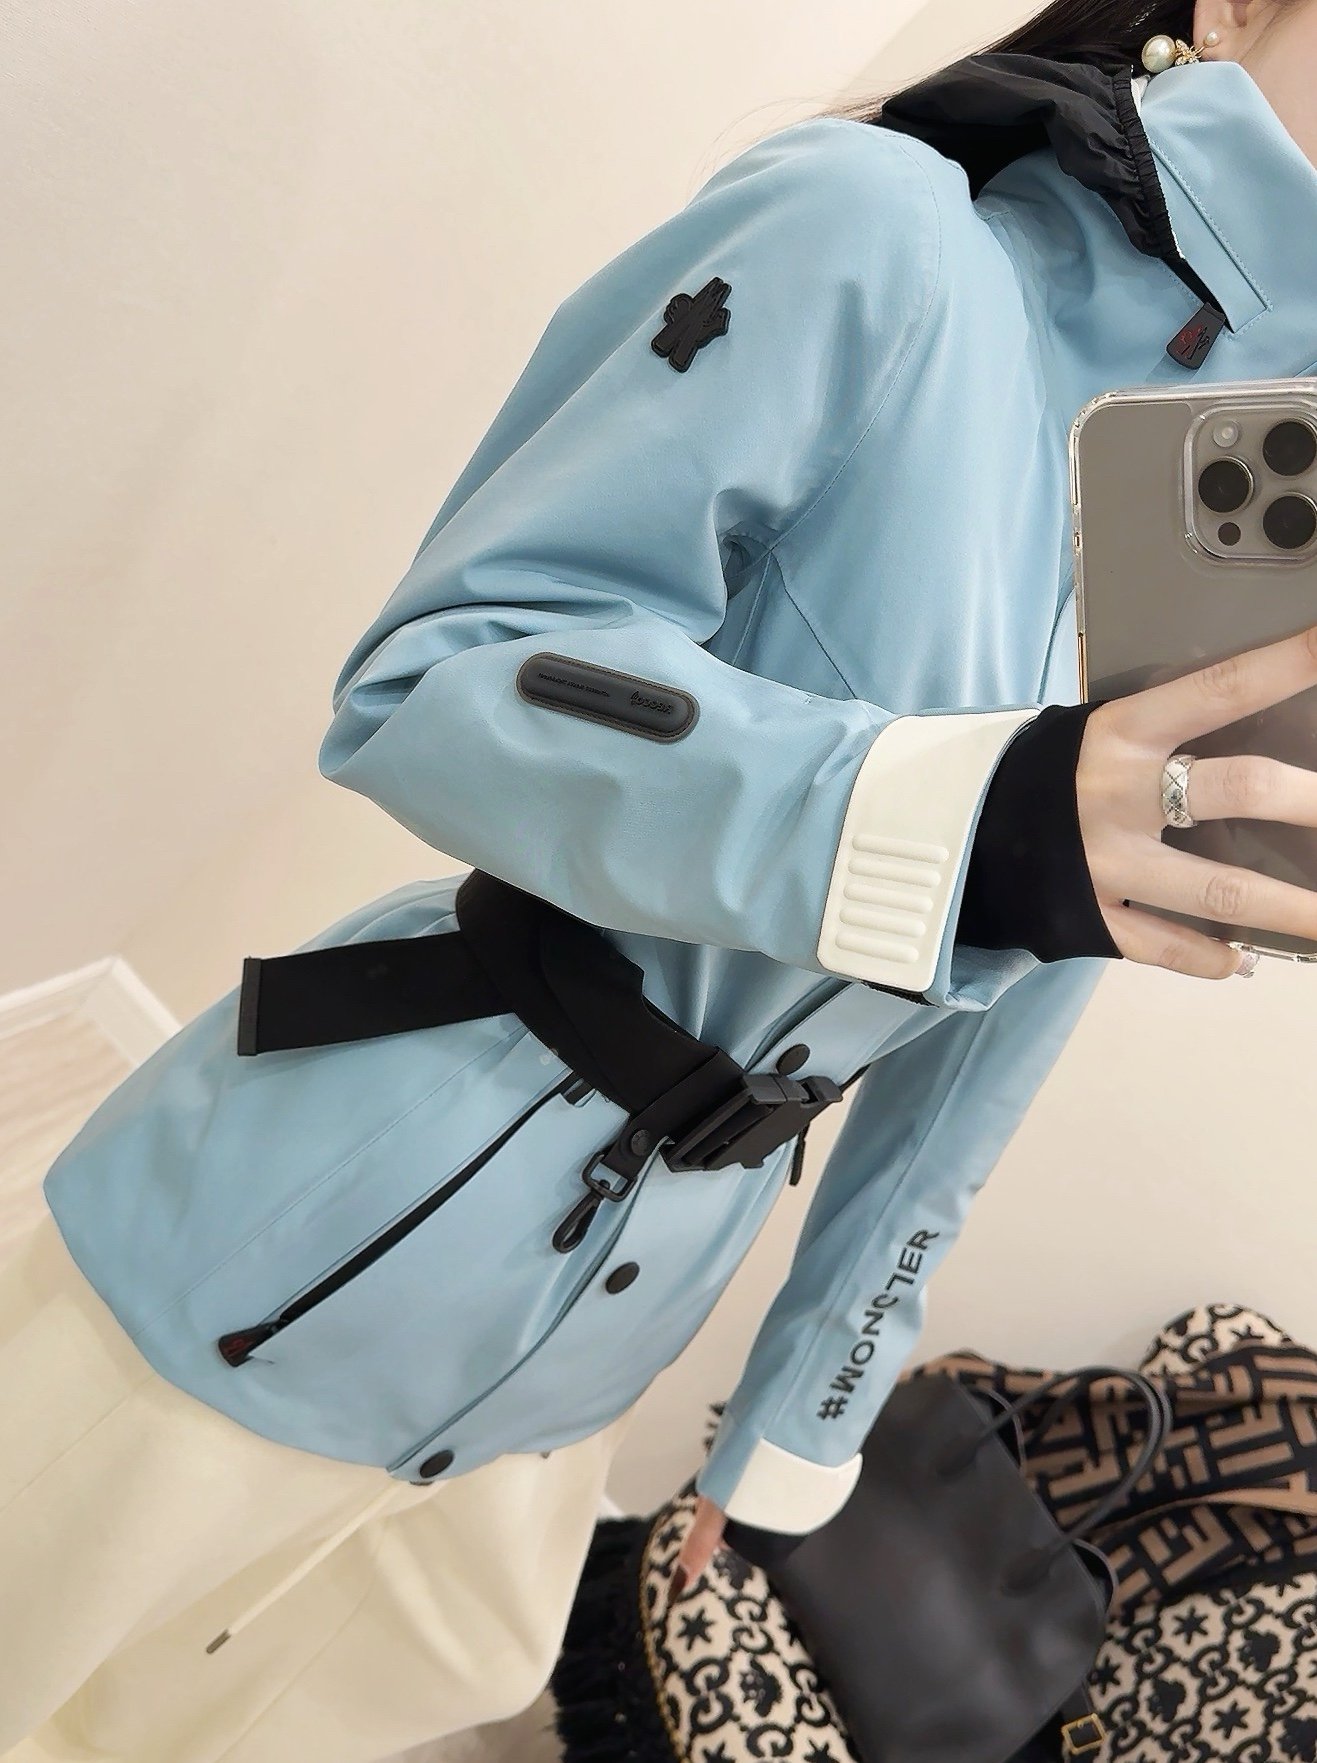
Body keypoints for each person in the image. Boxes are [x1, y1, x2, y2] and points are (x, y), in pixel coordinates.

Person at [4, 0, 1317, 1757]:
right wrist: (944, 820)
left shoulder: (1235, 544)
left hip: (577, 1378)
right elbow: (437, 679)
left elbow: (985, 1047)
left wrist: (797, 1429)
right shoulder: (881, 233)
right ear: (1226, 10)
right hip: (303, 1240)